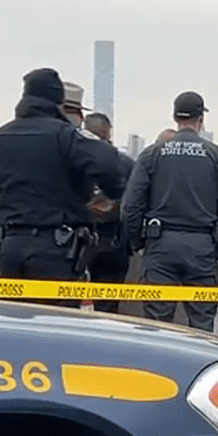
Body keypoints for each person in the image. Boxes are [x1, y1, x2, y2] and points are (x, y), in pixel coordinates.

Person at [0, 67, 126, 306]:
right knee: (56, 328)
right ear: (57, 101)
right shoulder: (65, 135)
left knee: (13, 324)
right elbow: (108, 161)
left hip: (10, 246)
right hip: (55, 248)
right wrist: (111, 193)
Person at [122, 91, 218, 332]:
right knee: (201, 324)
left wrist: (138, 241)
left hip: (160, 246)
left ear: (175, 117)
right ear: (201, 119)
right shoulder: (217, 155)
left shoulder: (152, 154)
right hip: (202, 247)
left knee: (157, 325)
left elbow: (130, 207)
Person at [83, 112, 136, 313]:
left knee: (66, 305)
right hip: (113, 242)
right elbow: (134, 203)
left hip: (76, 240)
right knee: (108, 308)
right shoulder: (125, 163)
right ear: (109, 132)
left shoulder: (71, 159)